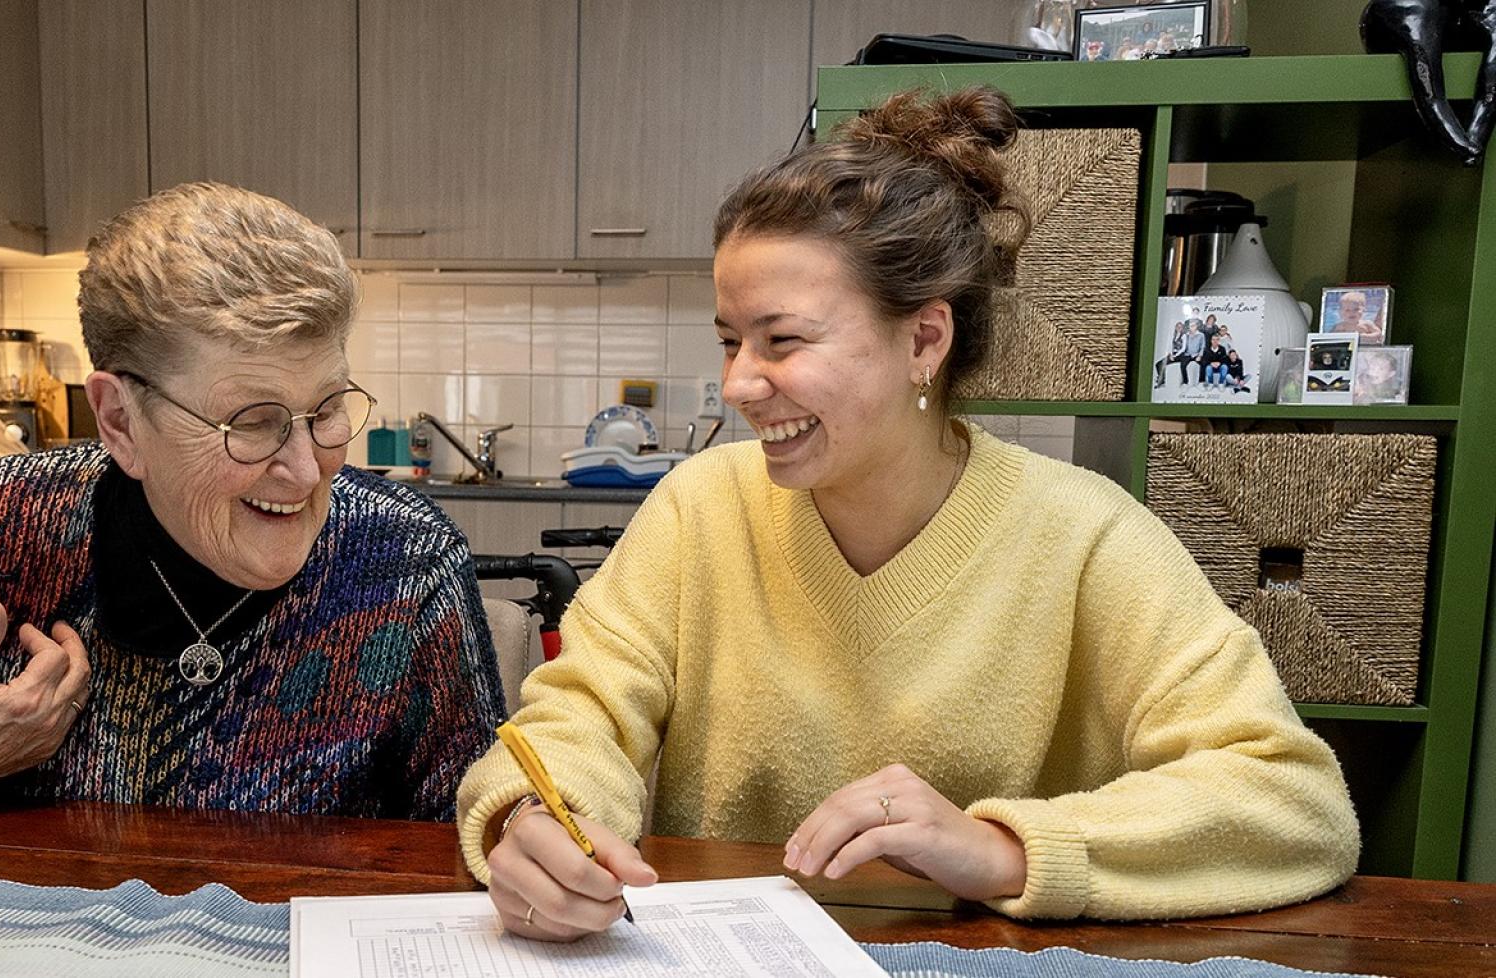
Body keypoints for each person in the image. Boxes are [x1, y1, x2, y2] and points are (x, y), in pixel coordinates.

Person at [457, 87, 1358, 940]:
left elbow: (1292, 800)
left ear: (924, 339)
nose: (738, 384)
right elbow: (578, 719)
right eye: (731, 342)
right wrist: (537, 815)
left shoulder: (1087, 537)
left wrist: (1002, 851)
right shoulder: (701, 507)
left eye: (783, 340)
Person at [0, 182, 505, 817]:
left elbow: (472, 818)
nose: (305, 467)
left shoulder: (403, 555)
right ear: (118, 419)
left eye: (326, 412)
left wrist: (519, 834)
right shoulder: (1, 523)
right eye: (251, 423)